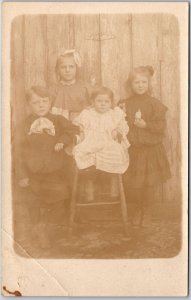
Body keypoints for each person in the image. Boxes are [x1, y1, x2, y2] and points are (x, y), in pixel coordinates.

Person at [13, 86, 79, 249]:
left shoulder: (57, 120)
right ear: (29, 105)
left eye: (44, 101)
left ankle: (44, 228)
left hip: (55, 173)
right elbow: (18, 152)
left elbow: (74, 129)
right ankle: (38, 227)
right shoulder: (24, 125)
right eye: (36, 102)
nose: (41, 105)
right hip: (32, 174)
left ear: (50, 102)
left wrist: (62, 140)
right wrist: (22, 176)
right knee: (32, 203)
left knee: (60, 202)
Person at [123, 65, 171, 228]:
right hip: (133, 151)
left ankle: (147, 211)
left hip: (150, 150)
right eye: (136, 82)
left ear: (149, 84)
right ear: (131, 85)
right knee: (134, 184)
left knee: (149, 184)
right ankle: (137, 210)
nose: (140, 85)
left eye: (144, 82)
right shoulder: (125, 104)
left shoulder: (155, 104)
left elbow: (160, 126)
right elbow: (117, 122)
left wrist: (145, 125)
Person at [73, 86, 130, 201]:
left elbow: (123, 127)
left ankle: (114, 187)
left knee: (116, 154)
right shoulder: (87, 114)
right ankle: (89, 189)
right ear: (93, 102)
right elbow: (79, 128)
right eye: (99, 101)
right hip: (91, 142)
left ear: (111, 103)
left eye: (106, 101)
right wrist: (81, 135)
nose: (103, 104)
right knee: (85, 156)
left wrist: (118, 131)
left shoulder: (113, 114)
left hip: (108, 142)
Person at [50, 49, 91, 121]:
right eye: (63, 67)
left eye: (71, 67)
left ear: (76, 68)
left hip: (80, 123)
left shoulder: (84, 87)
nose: (67, 70)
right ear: (58, 69)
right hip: (60, 125)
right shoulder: (53, 89)